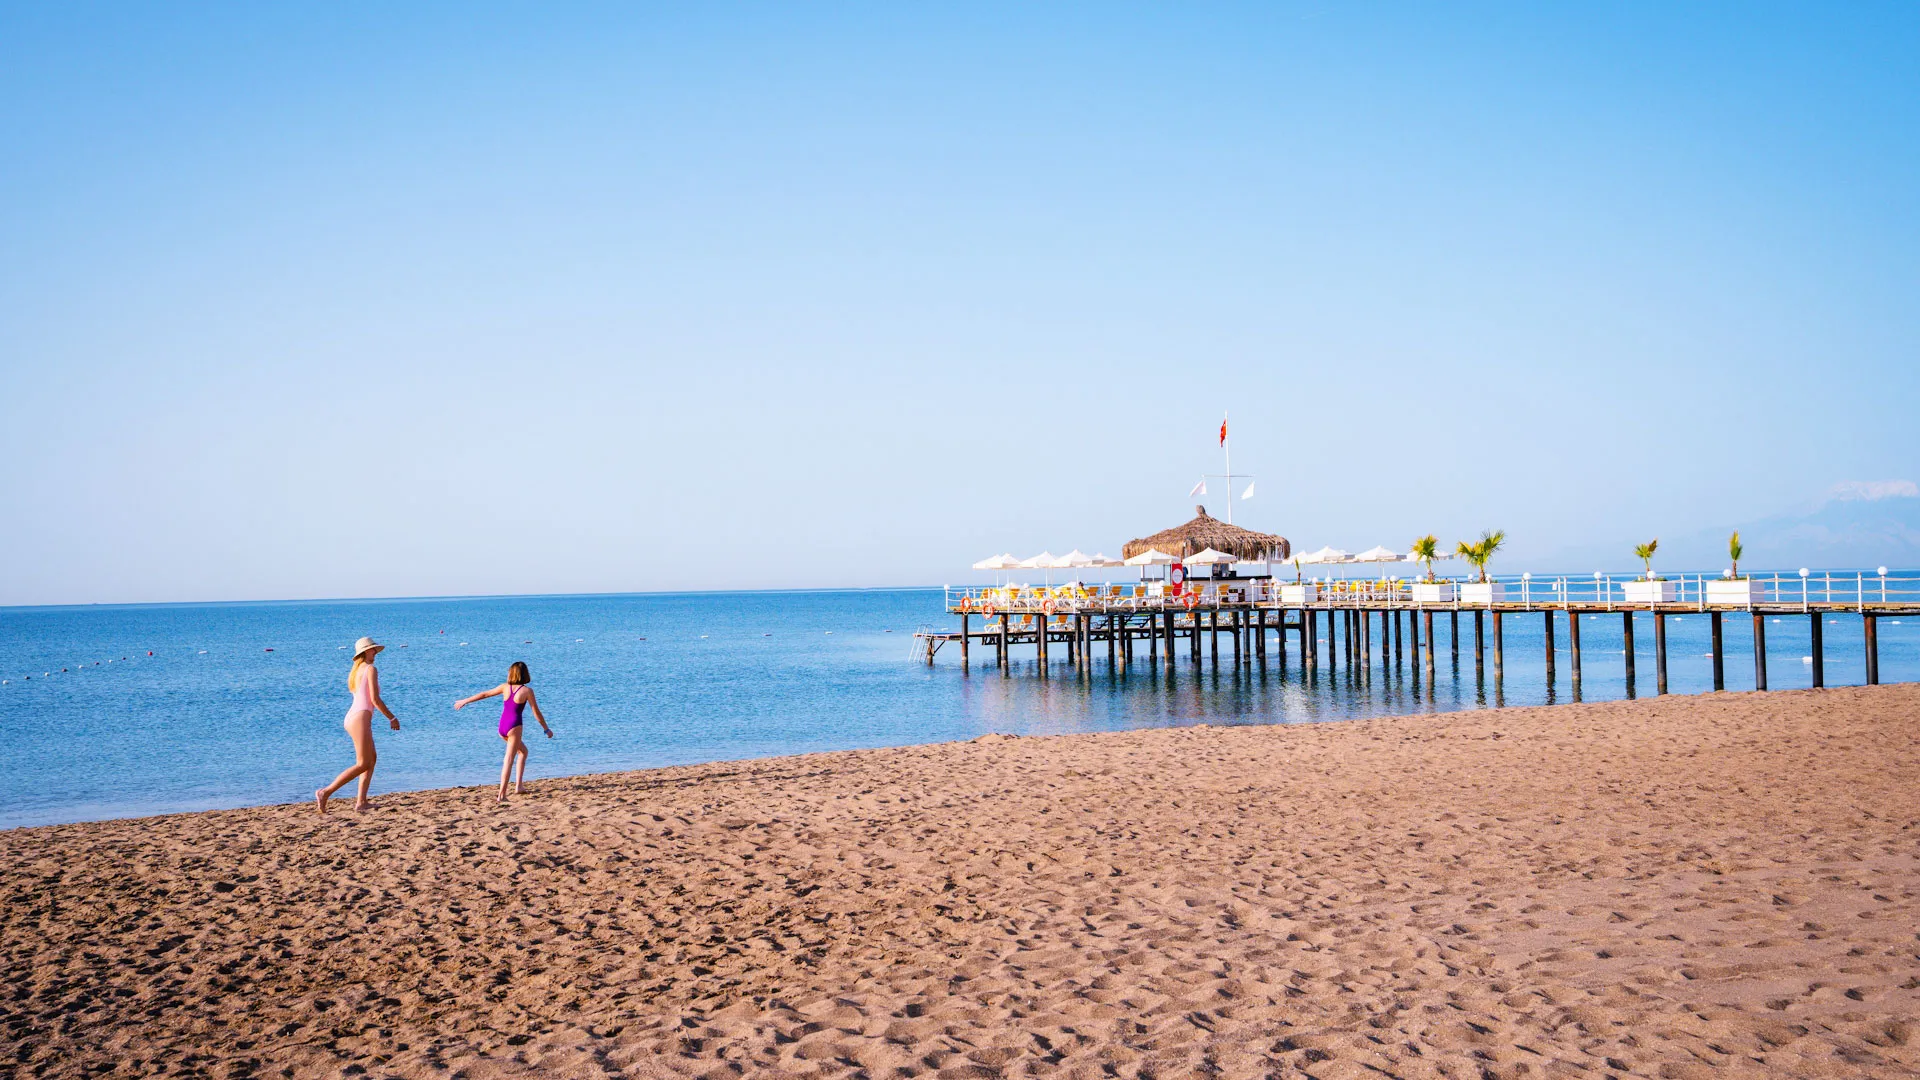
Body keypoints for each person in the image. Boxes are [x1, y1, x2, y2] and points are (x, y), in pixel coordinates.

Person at [316, 637, 400, 815]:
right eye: (372, 650)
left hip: (354, 717)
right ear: (365, 652)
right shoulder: (370, 669)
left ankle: (361, 802)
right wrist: (391, 718)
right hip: (359, 718)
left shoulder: (356, 670)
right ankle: (326, 792)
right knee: (363, 763)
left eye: (375, 650)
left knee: (371, 759)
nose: (375, 653)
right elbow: (375, 700)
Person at [453, 661, 552, 802]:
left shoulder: (505, 687)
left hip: (502, 727)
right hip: (514, 727)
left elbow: (484, 694)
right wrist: (546, 729)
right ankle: (502, 795)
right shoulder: (527, 691)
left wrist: (465, 700)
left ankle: (519, 786)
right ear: (525, 674)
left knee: (523, 752)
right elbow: (536, 712)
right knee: (509, 759)